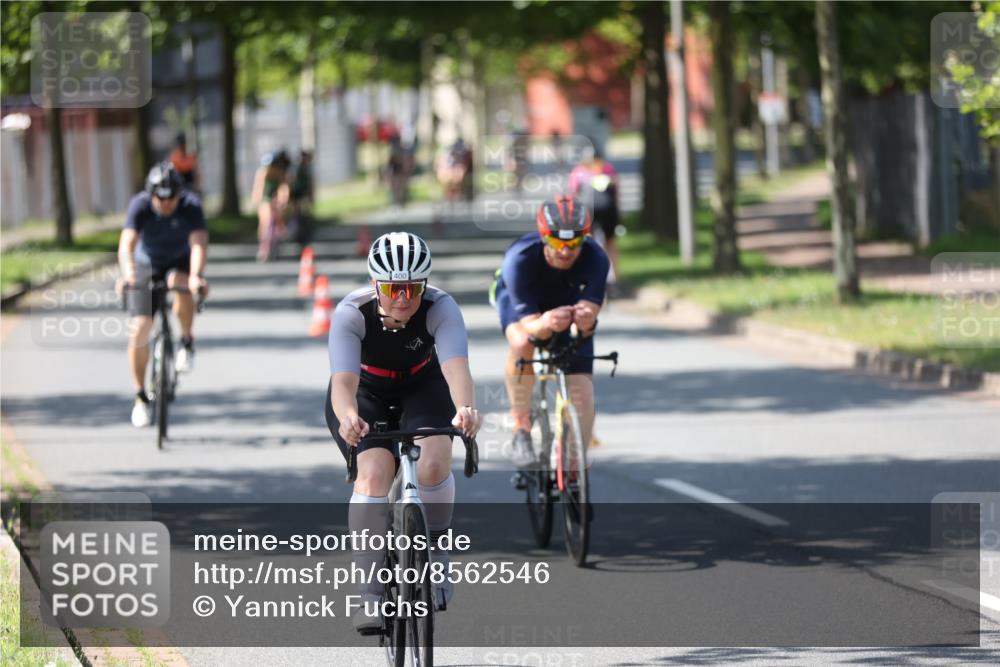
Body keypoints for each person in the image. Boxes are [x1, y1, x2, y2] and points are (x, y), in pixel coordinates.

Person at [324, 231, 482, 633]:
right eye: (392, 288)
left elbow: (456, 369)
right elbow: (343, 383)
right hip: (365, 393)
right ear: (375, 284)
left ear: (424, 285)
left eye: (412, 288)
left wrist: (465, 408)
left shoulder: (441, 307)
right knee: (374, 474)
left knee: (433, 462)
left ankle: (437, 554)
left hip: (422, 385)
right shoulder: (351, 313)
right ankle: (370, 592)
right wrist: (347, 416)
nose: (402, 298)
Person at [491, 196, 608, 468]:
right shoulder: (519, 259)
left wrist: (585, 321)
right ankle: (521, 427)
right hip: (521, 302)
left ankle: (575, 467)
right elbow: (531, 325)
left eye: (574, 243)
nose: (565, 251)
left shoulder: (597, 257)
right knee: (523, 341)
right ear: (544, 237)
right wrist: (545, 323)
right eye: (556, 243)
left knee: (582, 393)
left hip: (566, 303)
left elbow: (589, 318)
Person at [117, 162, 209, 428]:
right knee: (140, 327)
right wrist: (128, 274)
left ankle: (187, 342)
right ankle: (140, 398)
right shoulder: (140, 206)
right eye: (161, 198)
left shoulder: (191, 205)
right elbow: (127, 244)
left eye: (172, 198)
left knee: (181, 283)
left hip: (180, 261)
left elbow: (198, 244)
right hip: (147, 264)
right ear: (151, 195)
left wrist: (196, 276)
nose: (167, 203)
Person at [569, 146, 621, 285]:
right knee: (610, 242)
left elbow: (574, 194)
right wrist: (618, 211)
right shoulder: (608, 168)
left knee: (587, 243)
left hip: (588, 210)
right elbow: (616, 192)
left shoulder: (579, 171)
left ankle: (589, 276)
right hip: (609, 209)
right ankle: (615, 278)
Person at [250, 150, 290, 262]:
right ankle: (263, 248)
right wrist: (256, 200)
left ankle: (279, 235)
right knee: (265, 222)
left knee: (278, 217)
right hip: (265, 199)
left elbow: (283, 188)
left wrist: (283, 200)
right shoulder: (262, 173)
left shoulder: (279, 173)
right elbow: (258, 188)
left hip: (275, 199)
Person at [288, 150, 314, 250]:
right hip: (296, 194)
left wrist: (311, 195)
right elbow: (291, 181)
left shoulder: (307, 168)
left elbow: (310, 183)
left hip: (303, 194)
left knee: (305, 213)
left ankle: (306, 234)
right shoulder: (295, 168)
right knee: (296, 214)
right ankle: (296, 234)